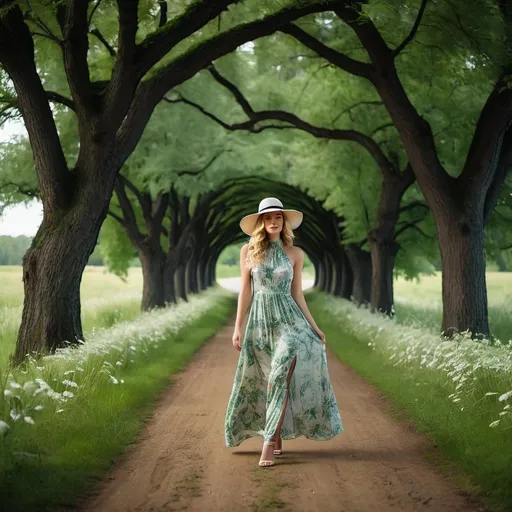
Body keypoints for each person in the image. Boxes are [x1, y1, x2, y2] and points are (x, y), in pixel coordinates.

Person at [224, 197, 343, 468]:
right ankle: (276, 433)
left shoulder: (296, 254)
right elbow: (246, 291)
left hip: (290, 323)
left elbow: (297, 294)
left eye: (278, 217)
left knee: (279, 375)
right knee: (266, 379)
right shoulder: (249, 252)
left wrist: (314, 327)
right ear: (261, 223)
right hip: (260, 322)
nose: (274, 222)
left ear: (284, 222)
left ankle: (267, 443)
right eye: (268, 218)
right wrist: (237, 327)